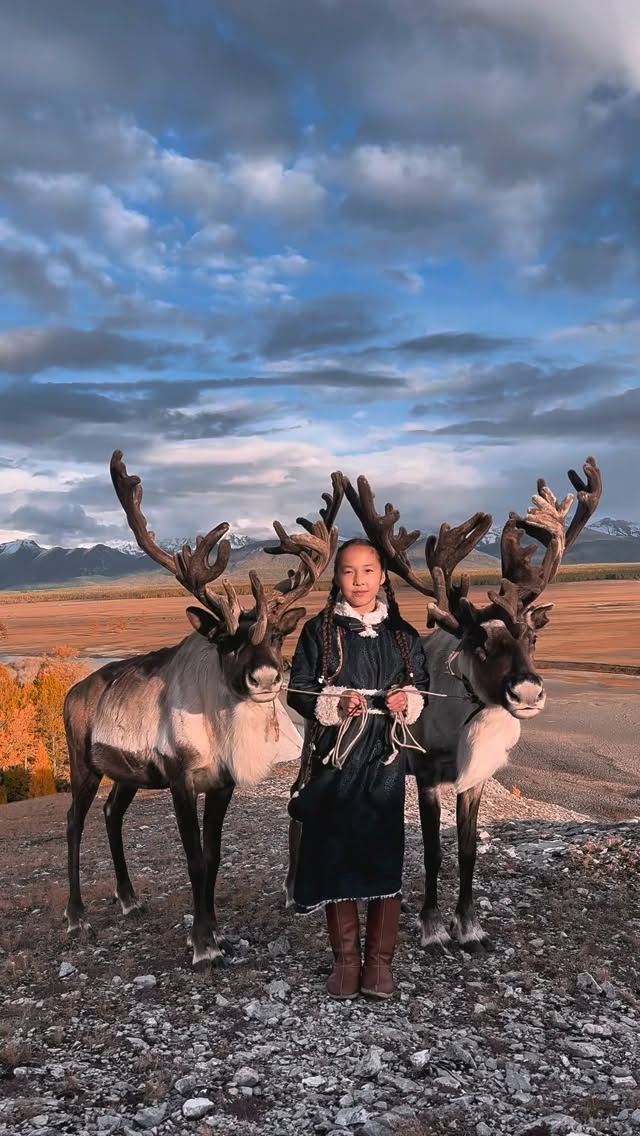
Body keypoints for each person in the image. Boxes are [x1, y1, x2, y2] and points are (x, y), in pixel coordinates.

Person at [286, 538, 429, 999]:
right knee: (336, 856)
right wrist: (336, 700)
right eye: (349, 572)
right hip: (336, 760)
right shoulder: (318, 632)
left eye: (368, 571)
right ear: (337, 578)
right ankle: (347, 964)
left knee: (382, 855)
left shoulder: (403, 635)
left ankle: (380, 967)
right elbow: (300, 690)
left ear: (383, 575)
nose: (359, 581)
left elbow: (421, 686)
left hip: (384, 762)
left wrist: (407, 700)